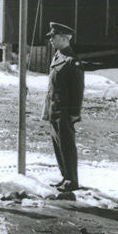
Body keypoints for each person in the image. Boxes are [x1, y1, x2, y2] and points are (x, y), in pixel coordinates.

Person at [42, 22, 85, 192]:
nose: (51, 40)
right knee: (58, 146)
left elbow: (77, 91)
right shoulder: (58, 56)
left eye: (53, 37)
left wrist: (75, 113)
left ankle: (72, 180)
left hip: (65, 111)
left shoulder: (71, 61)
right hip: (55, 109)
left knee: (67, 146)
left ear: (64, 38)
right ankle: (65, 176)